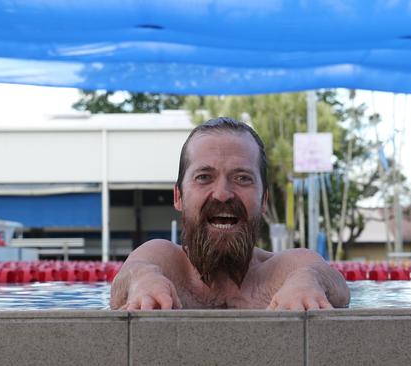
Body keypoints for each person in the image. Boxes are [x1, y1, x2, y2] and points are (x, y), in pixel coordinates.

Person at [110, 117, 349, 310]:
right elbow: (128, 277)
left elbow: (332, 281)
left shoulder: (287, 270)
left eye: (242, 178)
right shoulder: (163, 262)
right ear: (178, 197)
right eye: (204, 177)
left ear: (264, 199)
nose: (222, 194)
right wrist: (142, 280)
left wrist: (309, 281)